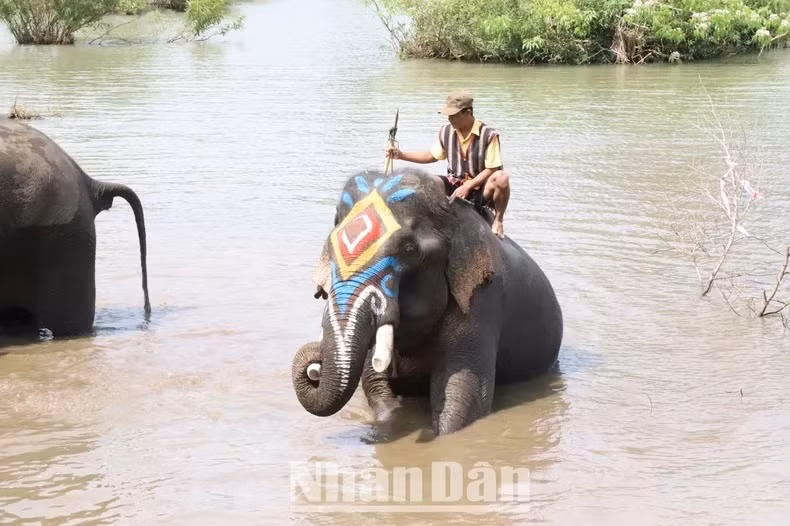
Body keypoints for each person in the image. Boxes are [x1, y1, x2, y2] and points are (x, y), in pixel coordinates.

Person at [385, 90, 511, 239]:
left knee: (501, 177)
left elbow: (492, 168)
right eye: (448, 115)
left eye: (453, 115)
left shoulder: (488, 135)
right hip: (455, 182)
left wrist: (468, 186)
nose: (449, 119)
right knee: (426, 181)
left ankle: (498, 221)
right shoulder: (447, 132)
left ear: (467, 112)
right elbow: (432, 156)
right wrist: (401, 155)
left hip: (480, 188)